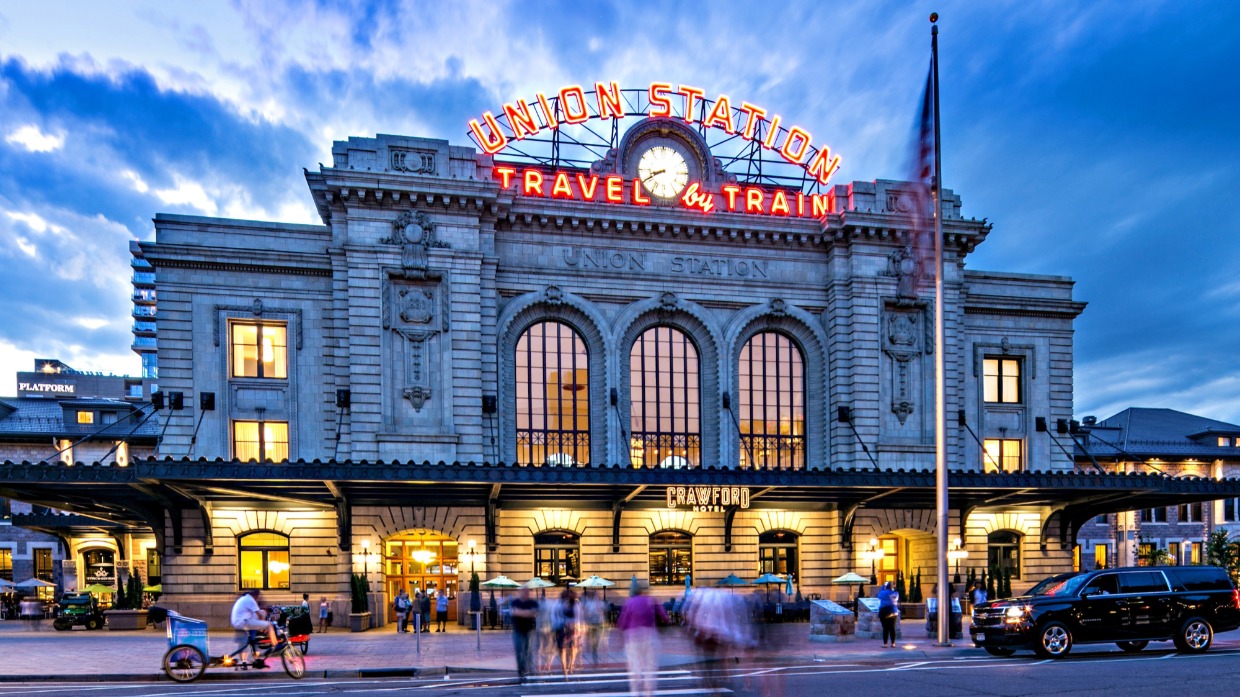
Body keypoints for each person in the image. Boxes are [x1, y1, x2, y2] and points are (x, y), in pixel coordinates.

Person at [617, 586, 669, 697]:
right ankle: (649, 693)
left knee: (634, 666)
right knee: (650, 666)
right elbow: (665, 617)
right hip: (649, 634)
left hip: (632, 636)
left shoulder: (629, 602)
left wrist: (620, 637)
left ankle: (635, 692)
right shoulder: (652, 600)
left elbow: (623, 621)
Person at [230, 589, 279, 654]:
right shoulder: (250, 600)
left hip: (239, 620)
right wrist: (263, 626)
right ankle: (275, 645)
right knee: (269, 625)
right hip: (242, 622)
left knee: (263, 612)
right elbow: (260, 615)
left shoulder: (245, 598)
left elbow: (260, 613)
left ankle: (264, 634)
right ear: (256, 595)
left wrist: (261, 624)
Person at [510, 586, 540, 681]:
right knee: (520, 651)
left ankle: (530, 669)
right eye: (524, 591)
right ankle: (522, 670)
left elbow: (535, 613)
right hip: (518, 630)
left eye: (528, 591)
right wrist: (528, 613)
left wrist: (521, 612)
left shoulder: (533, 602)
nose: (526, 593)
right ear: (521, 592)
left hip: (529, 630)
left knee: (529, 651)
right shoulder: (515, 602)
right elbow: (514, 612)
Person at [555, 587, 581, 676]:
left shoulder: (575, 604)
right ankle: (565, 667)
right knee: (563, 649)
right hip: (563, 627)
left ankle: (571, 665)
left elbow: (578, 616)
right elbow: (556, 615)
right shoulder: (560, 604)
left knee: (573, 647)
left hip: (572, 627)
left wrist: (579, 627)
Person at [877, 581, 899, 648]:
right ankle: (893, 643)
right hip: (894, 611)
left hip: (885, 611)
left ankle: (885, 643)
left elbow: (879, 596)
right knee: (892, 628)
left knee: (885, 628)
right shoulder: (896, 593)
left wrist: (882, 587)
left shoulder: (884, 592)